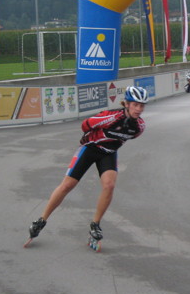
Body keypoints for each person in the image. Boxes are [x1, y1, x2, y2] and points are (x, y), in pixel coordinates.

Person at [26, 86, 148, 248]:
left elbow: (130, 136)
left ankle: (95, 224)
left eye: (142, 105)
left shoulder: (139, 127)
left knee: (109, 185)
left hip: (108, 153)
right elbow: (85, 125)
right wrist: (94, 138)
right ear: (126, 103)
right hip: (90, 149)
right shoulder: (109, 117)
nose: (139, 109)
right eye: (135, 105)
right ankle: (41, 220)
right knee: (67, 185)